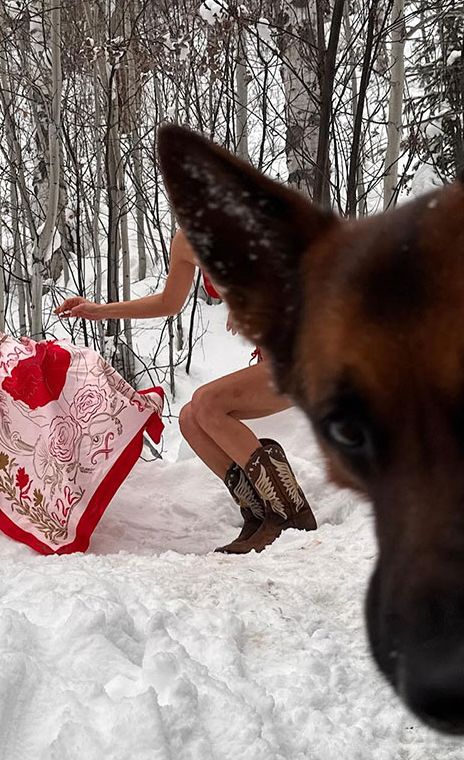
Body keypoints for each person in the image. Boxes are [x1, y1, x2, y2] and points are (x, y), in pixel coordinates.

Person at [55, 229, 316, 553]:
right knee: (191, 418)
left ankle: (289, 513)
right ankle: (261, 513)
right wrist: (99, 310)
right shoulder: (185, 241)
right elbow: (169, 302)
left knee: (207, 402)